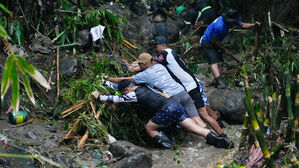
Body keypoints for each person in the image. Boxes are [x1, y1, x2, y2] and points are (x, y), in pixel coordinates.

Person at [91, 79, 233, 149]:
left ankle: (168, 147)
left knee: (149, 128)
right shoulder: (142, 86)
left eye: (124, 91)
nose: (124, 93)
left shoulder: (132, 94)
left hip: (168, 109)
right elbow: (118, 87)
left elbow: (118, 99)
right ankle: (220, 141)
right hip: (175, 106)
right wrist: (105, 82)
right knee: (196, 129)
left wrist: (99, 97)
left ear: (128, 89)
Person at [152, 36, 226, 137]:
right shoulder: (170, 53)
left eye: (156, 46)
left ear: (163, 45)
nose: (155, 49)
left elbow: (153, 64)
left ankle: (220, 136)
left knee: (203, 114)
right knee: (203, 113)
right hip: (191, 85)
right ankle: (220, 134)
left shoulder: (166, 53)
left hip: (190, 87)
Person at [107, 53, 207, 128]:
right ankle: (209, 134)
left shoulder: (144, 75)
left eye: (140, 64)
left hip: (172, 98)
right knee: (197, 119)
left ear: (144, 63)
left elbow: (126, 80)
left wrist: (109, 78)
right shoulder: (160, 66)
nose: (139, 66)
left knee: (187, 123)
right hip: (183, 93)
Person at [200, 8, 260, 88]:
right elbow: (214, 40)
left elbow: (242, 25)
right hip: (207, 42)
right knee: (214, 62)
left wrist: (254, 25)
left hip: (216, 41)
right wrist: (224, 49)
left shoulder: (232, 19)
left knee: (220, 62)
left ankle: (220, 82)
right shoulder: (219, 26)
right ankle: (220, 82)